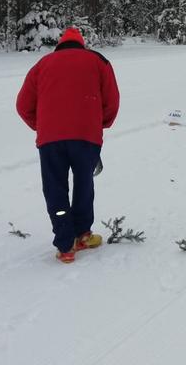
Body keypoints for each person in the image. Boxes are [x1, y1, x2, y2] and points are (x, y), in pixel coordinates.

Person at [16, 27, 120, 263]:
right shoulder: (98, 61)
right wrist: (100, 123)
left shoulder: (42, 65)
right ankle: (83, 234)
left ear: (60, 45)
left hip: (50, 140)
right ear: (81, 44)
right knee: (84, 185)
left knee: (55, 189)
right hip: (86, 137)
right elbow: (112, 100)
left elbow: (23, 105)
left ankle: (65, 245)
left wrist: (42, 126)